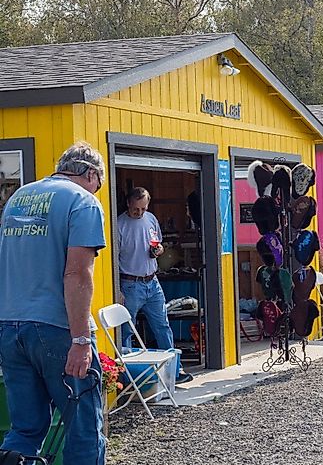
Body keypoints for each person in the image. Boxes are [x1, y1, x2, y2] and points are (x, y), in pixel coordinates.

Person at [0, 142, 107, 463]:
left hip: (10, 328)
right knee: (84, 427)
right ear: (90, 174)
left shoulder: (18, 198)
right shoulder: (83, 202)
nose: (97, 191)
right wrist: (81, 340)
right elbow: (77, 275)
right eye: (98, 184)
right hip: (58, 329)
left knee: (25, 429)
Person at [117, 187, 193, 384]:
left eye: (143, 209)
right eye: (136, 209)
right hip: (130, 283)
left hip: (152, 280)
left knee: (163, 326)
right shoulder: (119, 225)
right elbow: (113, 260)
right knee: (126, 330)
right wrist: (117, 289)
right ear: (128, 204)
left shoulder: (150, 219)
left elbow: (157, 243)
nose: (140, 213)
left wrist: (158, 250)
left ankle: (174, 372)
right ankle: (127, 377)